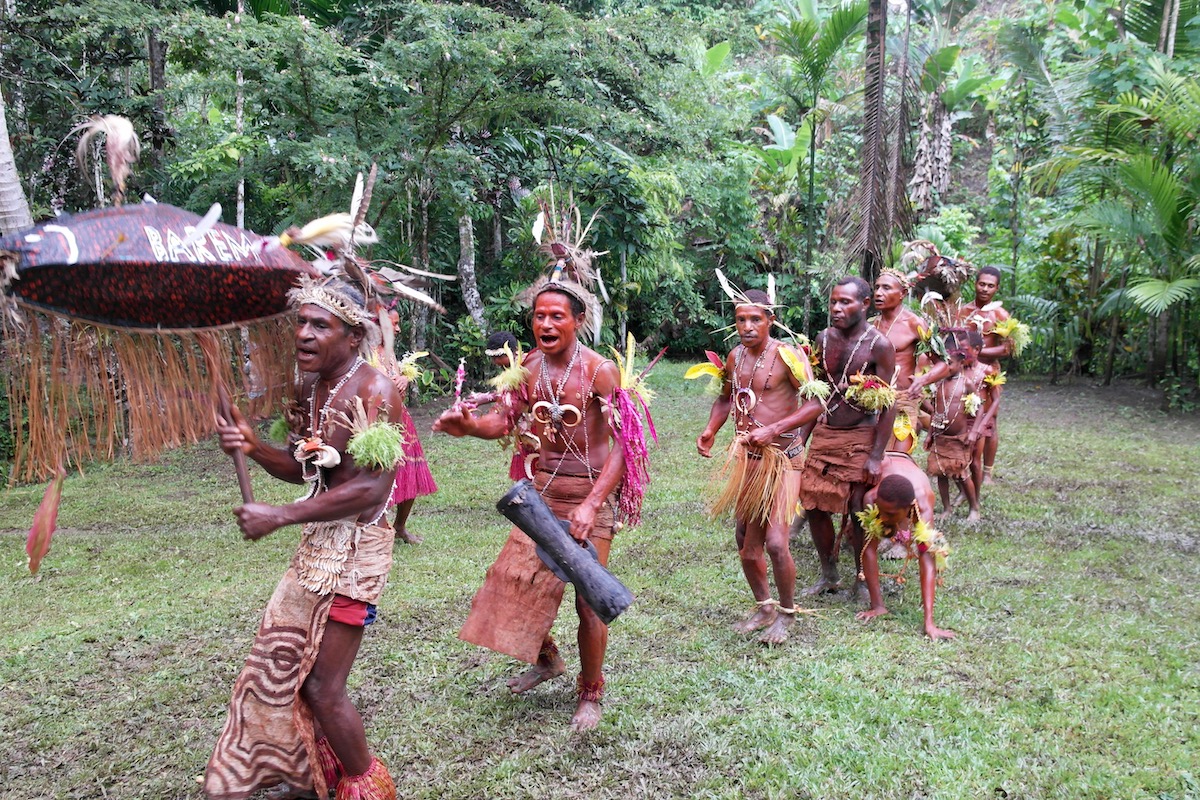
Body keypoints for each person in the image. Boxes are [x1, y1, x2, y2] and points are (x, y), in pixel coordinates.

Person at [434, 214, 651, 732]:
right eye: (539, 316)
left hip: (588, 496)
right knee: (513, 581)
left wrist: (594, 503)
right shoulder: (528, 368)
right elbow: (504, 423)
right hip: (541, 494)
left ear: (577, 320)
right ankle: (547, 660)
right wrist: (467, 428)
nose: (546, 325)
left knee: (587, 597)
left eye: (557, 316)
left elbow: (628, 444)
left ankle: (591, 693)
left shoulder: (600, 370)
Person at [206, 275, 406, 800]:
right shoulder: (312, 387)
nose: (305, 334)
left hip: (360, 552)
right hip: (319, 545)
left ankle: (367, 790)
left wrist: (279, 517)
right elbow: (305, 472)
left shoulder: (376, 391)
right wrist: (252, 446)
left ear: (353, 336)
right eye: (301, 322)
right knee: (284, 668)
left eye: (322, 324)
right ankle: (313, 775)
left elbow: (369, 488)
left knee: (322, 686)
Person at [696, 289, 817, 645]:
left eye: (755, 320)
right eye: (741, 320)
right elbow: (725, 398)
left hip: (785, 459)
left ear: (771, 321)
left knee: (777, 544)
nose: (747, 327)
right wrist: (710, 430)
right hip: (749, 460)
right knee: (746, 544)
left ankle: (787, 613)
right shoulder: (734, 357)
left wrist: (774, 429)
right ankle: (764, 606)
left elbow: (815, 405)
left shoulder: (788, 357)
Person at [799, 276, 897, 599]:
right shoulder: (823, 338)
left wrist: (876, 456)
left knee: (857, 507)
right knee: (812, 503)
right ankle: (829, 575)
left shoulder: (879, 345)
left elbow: (888, 403)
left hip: (860, 435)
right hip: (826, 433)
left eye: (846, 302)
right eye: (833, 302)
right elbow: (816, 394)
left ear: (865, 304)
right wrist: (801, 439)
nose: (837, 309)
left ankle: (862, 578)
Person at [855, 455, 955, 640]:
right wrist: (877, 605)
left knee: (925, 549)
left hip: (909, 469)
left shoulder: (924, 504)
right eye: (881, 511)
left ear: (909, 508)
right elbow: (869, 550)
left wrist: (929, 622)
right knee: (868, 535)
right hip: (888, 461)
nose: (882, 518)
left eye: (890, 514)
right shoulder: (871, 497)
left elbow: (927, 558)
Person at [922, 330, 999, 521]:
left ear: (960, 361)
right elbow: (935, 411)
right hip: (942, 435)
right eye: (943, 363)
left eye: (949, 363)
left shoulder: (969, 381)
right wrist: (930, 433)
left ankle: (974, 505)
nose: (945, 367)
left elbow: (982, 407)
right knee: (941, 472)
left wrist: (975, 430)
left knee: (964, 470)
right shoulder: (939, 385)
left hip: (963, 432)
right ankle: (947, 507)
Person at [956, 265, 1011, 485]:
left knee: (990, 422)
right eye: (982, 284)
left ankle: (987, 472)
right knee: (964, 418)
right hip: (964, 372)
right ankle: (964, 464)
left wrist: (977, 353)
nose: (985, 289)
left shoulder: (1000, 315)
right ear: (975, 283)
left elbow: (1007, 349)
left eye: (990, 286)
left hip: (989, 372)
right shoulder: (962, 311)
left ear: (997, 288)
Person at [871, 269, 929, 452]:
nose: (879, 293)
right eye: (877, 287)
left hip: (903, 402)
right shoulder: (871, 325)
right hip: (873, 402)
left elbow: (942, 361)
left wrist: (923, 380)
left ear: (903, 293)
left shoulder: (914, 324)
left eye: (886, 288)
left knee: (897, 460)